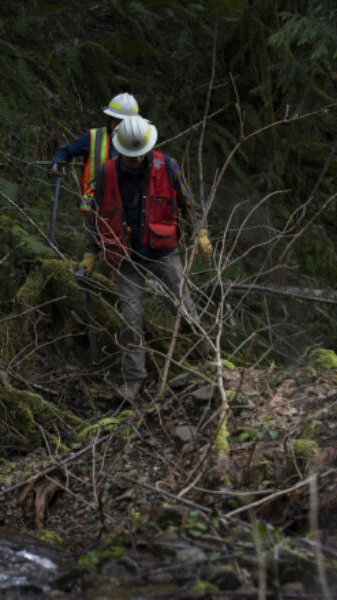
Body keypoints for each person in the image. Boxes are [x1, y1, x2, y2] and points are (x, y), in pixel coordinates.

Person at [89, 115, 214, 401]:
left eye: (141, 154)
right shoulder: (107, 173)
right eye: (131, 155)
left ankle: (210, 361)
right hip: (126, 257)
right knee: (130, 318)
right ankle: (134, 379)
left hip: (163, 253)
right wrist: (90, 252)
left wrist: (201, 234)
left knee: (184, 310)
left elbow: (189, 205)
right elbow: (96, 218)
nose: (136, 159)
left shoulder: (167, 166)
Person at [50, 93, 141, 271]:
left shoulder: (137, 142)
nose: (120, 125)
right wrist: (57, 162)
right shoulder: (93, 137)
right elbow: (67, 151)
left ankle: (112, 281)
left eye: (124, 122)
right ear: (110, 119)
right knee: (94, 247)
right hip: (95, 206)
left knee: (121, 254)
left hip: (126, 209)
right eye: (117, 121)